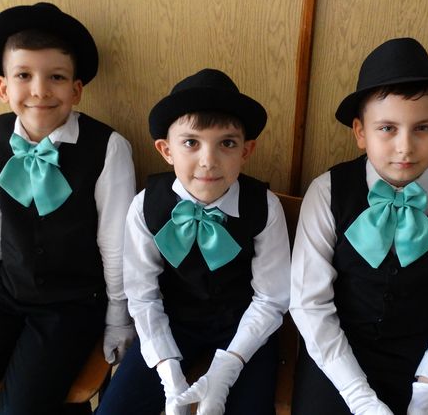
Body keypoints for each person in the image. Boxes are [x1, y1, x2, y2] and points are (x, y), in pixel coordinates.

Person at [0, 2, 136, 414]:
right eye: (24, 75)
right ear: (3, 87)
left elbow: (116, 245)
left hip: (73, 302)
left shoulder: (108, 147)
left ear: (76, 89)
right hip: (9, 292)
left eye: (56, 77)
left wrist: (117, 318)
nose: (40, 90)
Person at [289, 37, 428, 415]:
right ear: (360, 132)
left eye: (423, 128)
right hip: (339, 354)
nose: (405, 147)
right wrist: (360, 398)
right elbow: (309, 304)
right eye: (387, 128)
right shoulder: (327, 192)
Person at [96, 68, 291, 415]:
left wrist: (229, 365)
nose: (208, 161)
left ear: (246, 150)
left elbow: (270, 298)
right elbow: (142, 295)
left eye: (227, 143)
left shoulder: (265, 206)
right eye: (191, 143)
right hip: (172, 323)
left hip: (245, 326)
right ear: (166, 149)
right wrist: (167, 368)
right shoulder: (145, 206)